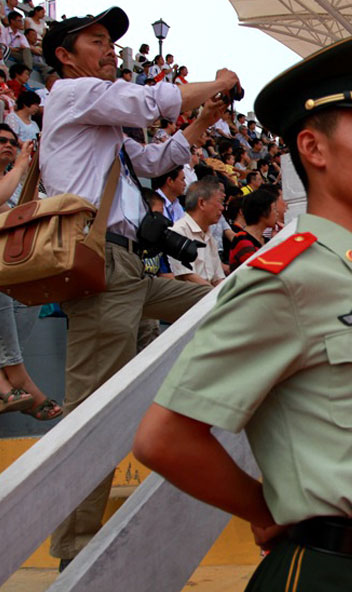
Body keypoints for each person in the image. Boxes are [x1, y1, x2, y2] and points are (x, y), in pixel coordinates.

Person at [133, 35, 352, 591]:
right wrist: (265, 508)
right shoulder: (287, 278)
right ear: (314, 148)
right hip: (334, 570)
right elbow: (164, 438)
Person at [39, 7, 240, 568]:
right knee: (92, 413)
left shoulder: (100, 121)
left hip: (128, 269)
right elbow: (152, 101)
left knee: (225, 301)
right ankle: (73, 551)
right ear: (64, 56)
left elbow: (154, 160)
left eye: (111, 41)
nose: (110, 49)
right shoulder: (72, 93)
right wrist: (218, 82)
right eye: (97, 40)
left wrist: (203, 120)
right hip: (103, 265)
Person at [0, 129, 62, 420]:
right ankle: (17, 376)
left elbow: (32, 212)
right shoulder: (11, 178)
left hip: (10, 265)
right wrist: (21, 165)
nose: (8, 146)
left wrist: (30, 173)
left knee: (32, 293)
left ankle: (9, 375)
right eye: (1, 141)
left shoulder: (15, 181)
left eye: (13, 143)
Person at [168, 177, 226, 286]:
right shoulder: (179, 231)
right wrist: (215, 294)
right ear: (202, 203)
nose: (222, 208)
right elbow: (187, 277)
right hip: (192, 294)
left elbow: (218, 278)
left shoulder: (208, 235)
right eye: (219, 202)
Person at [227, 185, 277, 271]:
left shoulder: (265, 240)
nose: (277, 213)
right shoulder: (242, 240)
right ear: (263, 212)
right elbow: (260, 270)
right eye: (274, 209)